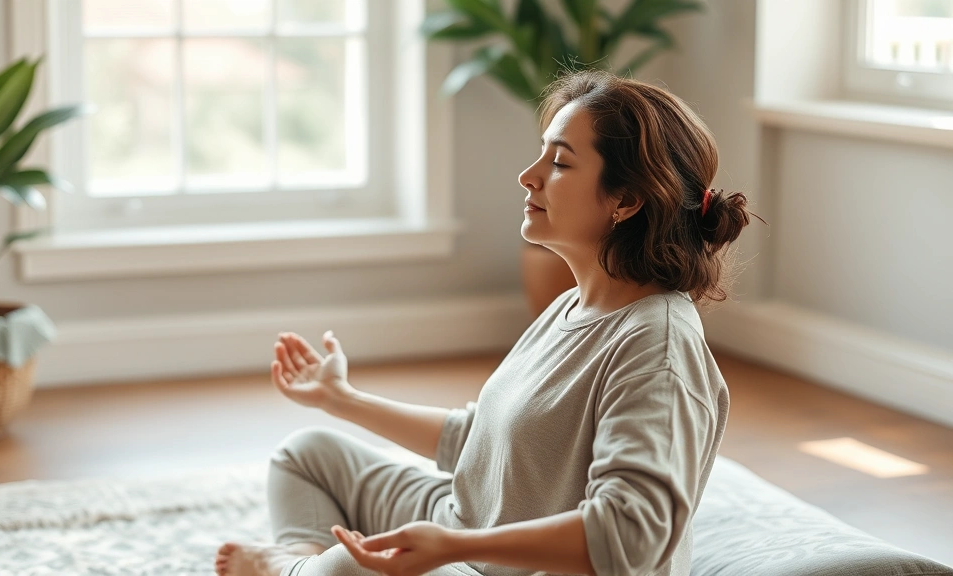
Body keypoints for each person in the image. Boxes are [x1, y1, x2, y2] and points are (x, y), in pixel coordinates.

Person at [215, 69, 754, 576]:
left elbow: (633, 534)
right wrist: (342, 399)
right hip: (467, 524)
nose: (528, 176)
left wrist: (450, 548)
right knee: (309, 453)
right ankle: (301, 558)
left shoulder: (656, 348)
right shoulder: (573, 306)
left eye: (561, 163)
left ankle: (286, 567)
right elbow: (483, 440)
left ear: (627, 199)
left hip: (490, 561)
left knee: (350, 565)